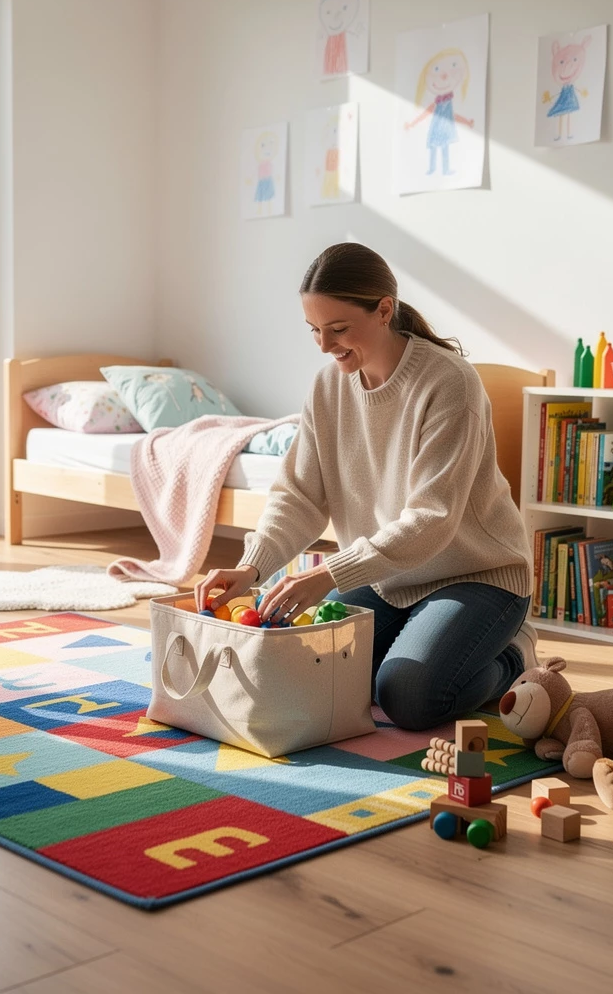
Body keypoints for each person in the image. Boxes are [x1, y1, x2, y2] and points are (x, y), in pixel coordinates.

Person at [194, 242, 537, 732]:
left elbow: (432, 519)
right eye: (314, 329)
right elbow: (298, 496)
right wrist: (252, 567)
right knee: (315, 672)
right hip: (389, 577)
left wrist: (329, 573)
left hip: (477, 576)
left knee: (407, 697)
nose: (323, 345)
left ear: (383, 310)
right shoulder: (326, 388)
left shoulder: (450, 383)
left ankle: (513, 659)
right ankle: (440, 646)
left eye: (338, 329)